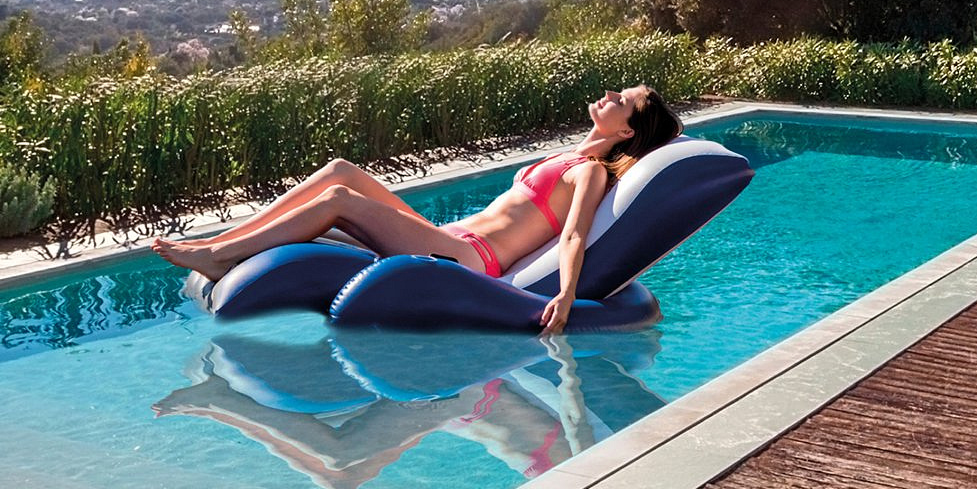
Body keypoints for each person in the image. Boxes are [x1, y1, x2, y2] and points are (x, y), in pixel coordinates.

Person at [153, 85, 683, 332]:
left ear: (626, 131)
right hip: (448, 234)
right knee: (341, 170)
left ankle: (218, 257)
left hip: (468, 258)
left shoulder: (589, 172)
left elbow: (573, 236)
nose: (610, 94)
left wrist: (564, 296)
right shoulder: (570, 156)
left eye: (623, 100)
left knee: (338, 200)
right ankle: (222, 243)